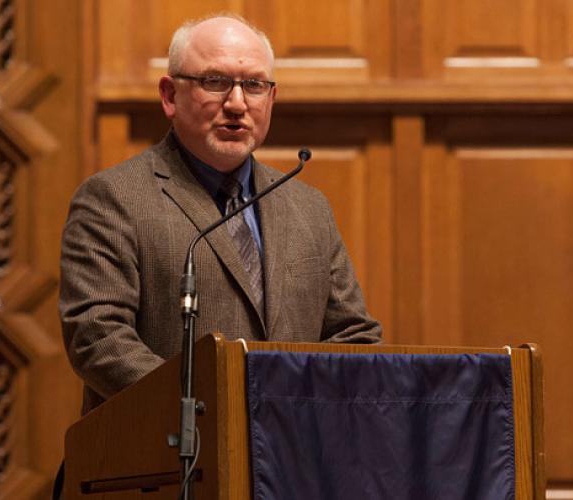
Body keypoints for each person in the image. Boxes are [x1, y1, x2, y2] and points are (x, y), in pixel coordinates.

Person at [59, 14, 382, 416]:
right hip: (164, 458)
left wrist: (289, 409)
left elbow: (353, 336)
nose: (236, 103)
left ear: (271, 98)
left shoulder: (307, 206)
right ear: (169, 95)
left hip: (289, 459)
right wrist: (213, 412)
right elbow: (97, 339)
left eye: (254, 85)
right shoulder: (113, 199)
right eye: (214, 82)